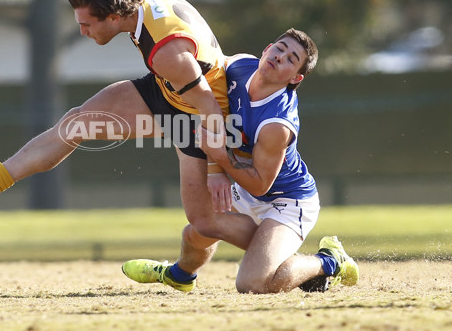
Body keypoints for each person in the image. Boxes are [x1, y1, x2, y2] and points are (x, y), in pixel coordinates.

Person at [0, 0, 262, 289]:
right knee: (76, 123)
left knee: (203, 222)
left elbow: (209, 105)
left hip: (201, 118)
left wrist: (218, 167)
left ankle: (281, 256)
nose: (83, 32)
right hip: (170, 90)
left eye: (87, 24)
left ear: (114, 17)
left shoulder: (167, 53)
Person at [122, 28, 360, 293]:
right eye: (280, 48)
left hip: (286, 201)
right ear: (267, 48)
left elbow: (260, 186)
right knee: (195, 233)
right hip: (244, 190)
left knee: (253, 283)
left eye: (292, 59)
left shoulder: (277, 123)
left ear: (296, 77)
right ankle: (180, 275)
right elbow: (200, 79)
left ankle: (329, 262)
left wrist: (219, 157)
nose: (281, 57)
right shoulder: (236, 66)